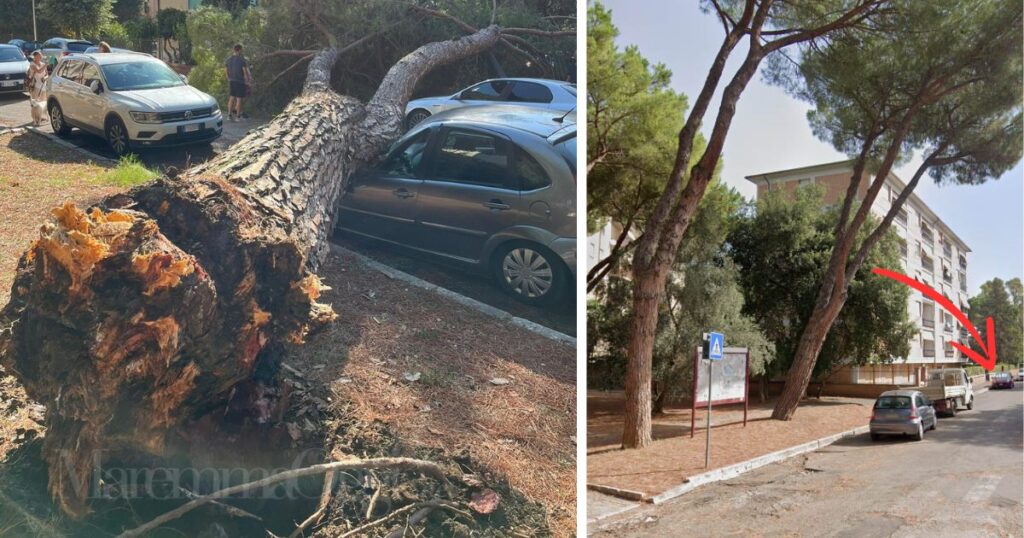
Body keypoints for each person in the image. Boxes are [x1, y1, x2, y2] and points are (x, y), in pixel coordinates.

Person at [224, 43, 251, 122]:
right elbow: (245, 72)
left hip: (232, 81)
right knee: (239, 99)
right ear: (240, 50)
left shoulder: (228, 60)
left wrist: (228, 78)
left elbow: (226, 71)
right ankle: (238, 117)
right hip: (240, 82)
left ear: (234, 50)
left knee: (231, 98)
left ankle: (229, 115)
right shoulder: (242, 60)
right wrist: (247, 81)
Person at [26, 51, 48, 125]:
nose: (40, 57)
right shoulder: (32, 64)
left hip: (43, 86)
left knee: (42, 103)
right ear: (34, 57)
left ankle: (41, 117)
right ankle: (34, 119)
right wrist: (45, 65)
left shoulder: (42, 64)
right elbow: (38, 71)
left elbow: (47, 74)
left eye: (40, 56)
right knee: (35, 103)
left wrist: (45, 77)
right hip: (36, 86)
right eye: (38, 56)